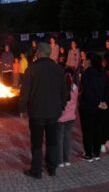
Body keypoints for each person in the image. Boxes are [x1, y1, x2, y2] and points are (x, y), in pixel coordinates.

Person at [19, 42, 67, 179]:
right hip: (53, 112)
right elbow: (64, 91)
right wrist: (61, 106)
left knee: (37, 142)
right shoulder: (58, 69)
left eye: (36, 52)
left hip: (37, 112)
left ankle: (36, 170)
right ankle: (52, 168)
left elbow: (25, 93)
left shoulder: (31, 69)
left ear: (39, 52)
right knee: (52, 141)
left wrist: (22, 108)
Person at [78, 52, 109, 162]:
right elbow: (108, 89)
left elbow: (87, 91)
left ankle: (88, 154)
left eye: (86, 60)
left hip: (88, 107)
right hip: (101, 107)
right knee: (98, 129)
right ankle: (96, 153)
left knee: (88, 130)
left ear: (89, 61)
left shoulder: (87, 74)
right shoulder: (103, 73)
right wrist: (105, 102)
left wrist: (97, 102)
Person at [57, 68, 78, 168]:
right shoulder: (75, 87)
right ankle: (67, 160)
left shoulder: (59, 87)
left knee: (59, 139)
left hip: (60, 118)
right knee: (67, 139)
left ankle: (60, 161)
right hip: (71, 117)